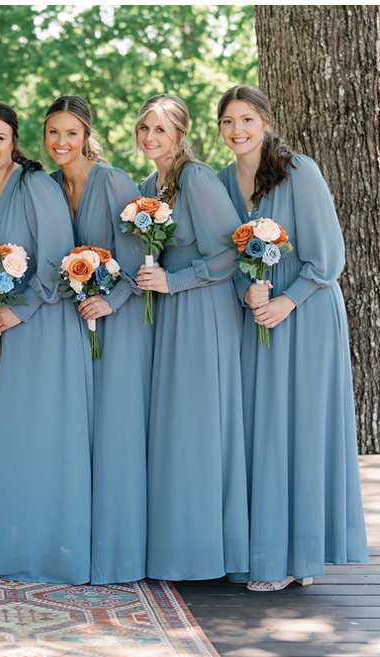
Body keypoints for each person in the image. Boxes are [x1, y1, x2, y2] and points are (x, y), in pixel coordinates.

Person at [216, 84, 368, 591]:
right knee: (264, 431)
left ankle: (297, 558)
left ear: (264, 121)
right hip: (256, 313)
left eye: (246, 120)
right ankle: (273, 550)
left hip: (305, 312)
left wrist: (286, 300)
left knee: (299, 429)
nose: (237, 131)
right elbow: (226, 257)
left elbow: (328, 256)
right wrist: (248, 295)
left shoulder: (298, 169)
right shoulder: (219, 180)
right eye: (227, 122)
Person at [0, 101, 94, 584]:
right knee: (10, 434)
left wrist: (19, 310)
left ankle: (51, 551)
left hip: (45, 325)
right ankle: (7, 541)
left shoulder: (35, 184)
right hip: (1, 330)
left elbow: (59, 258)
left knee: (45, 433)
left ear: (14, 141)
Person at [133, 93, 249, 581]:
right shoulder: (147, 185)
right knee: (172, 427)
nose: (150, 138)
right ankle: (172, 546)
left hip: (203, 311)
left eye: (161, 129)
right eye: (144, 128)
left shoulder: (196, 178)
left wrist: (174, 281)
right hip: (166, 314)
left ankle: (206, 552)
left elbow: (229, 252)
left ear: (180, 133)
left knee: (199, 426)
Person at [45, 95, 152, 584]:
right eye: (53, 132)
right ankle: (79, 543)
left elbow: (141, 256)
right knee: (80, 432)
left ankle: (120, 553)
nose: (61, 142)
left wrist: (112, 299)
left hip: (121, 319)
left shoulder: (112, 181)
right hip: (77, 323)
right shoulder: (48, 187)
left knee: (115, 432)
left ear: (87, 134)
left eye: (71, 132)